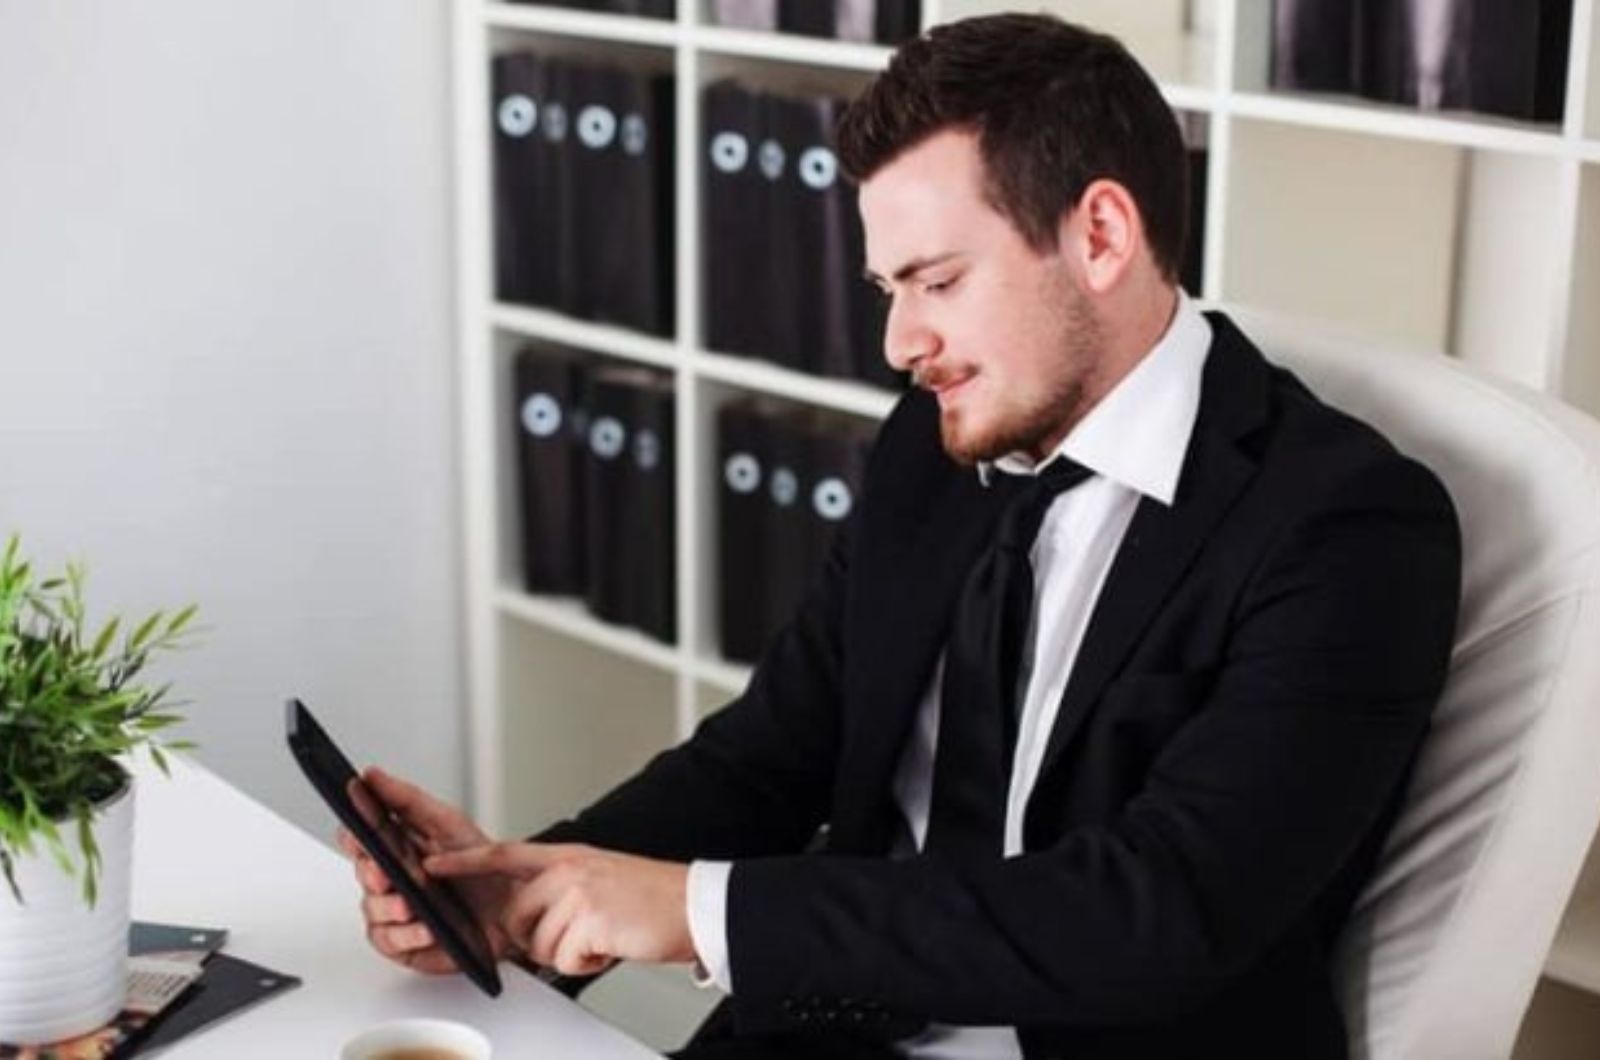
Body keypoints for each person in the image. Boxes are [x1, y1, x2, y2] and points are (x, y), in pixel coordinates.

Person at [343, 13, 1461, 1059]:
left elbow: (1156, 912)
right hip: (835, 1029)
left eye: (936, 280)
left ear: (1102, 234)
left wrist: (689, 910)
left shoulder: (1347, 529)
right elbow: (778, 748)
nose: (897, 340)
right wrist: (519, 891)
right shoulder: (930, 445)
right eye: (886, 286)